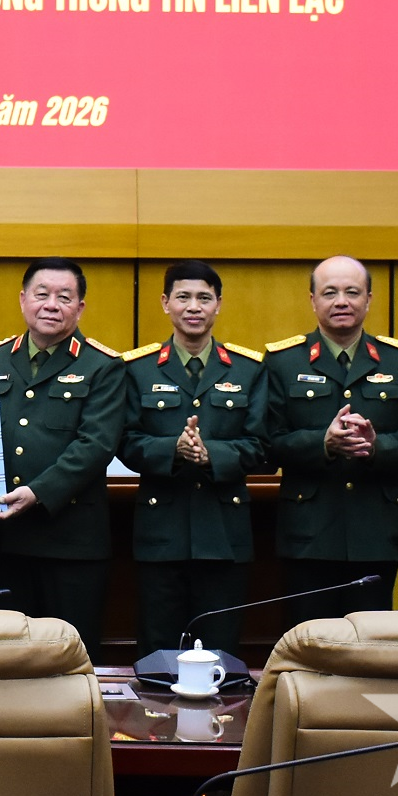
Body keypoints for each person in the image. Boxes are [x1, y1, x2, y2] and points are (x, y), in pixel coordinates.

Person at [263, 256, 398, 628]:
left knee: (370, 644)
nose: (341, 301)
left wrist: (375, 446)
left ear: (369, 299)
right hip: (308, 531)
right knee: (309, 641)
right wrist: (323, 443)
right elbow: (268, 442)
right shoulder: (283, 361)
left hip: (376, 530)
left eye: (352, 292)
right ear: (313, 300)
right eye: (329, 292)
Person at [0, 258, 126, 650]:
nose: (51, 305)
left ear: (80, 307)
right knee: (5, 655)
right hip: (4, 538)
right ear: (23, 299)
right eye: (42, 294)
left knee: (68, 654)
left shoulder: (103, 366)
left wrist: (38, 492)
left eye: (64, 297)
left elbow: (96, 445)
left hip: (70, 541)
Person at [119, 260, 266, 657]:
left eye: (204, 298)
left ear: (218, 304)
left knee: (220, 653)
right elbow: (125, 441)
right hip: (160, 534)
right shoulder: (137, 369)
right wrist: (175, 449)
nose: (194, 307)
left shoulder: (249, 370)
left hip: (224, 534)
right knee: (158, 653)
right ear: (165, 303)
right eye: (183, 297)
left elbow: (262, 445)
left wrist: (210, 453)